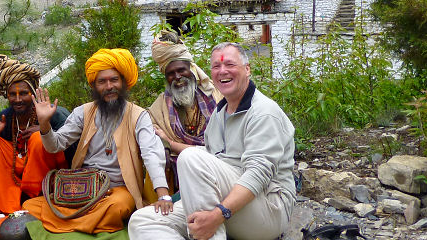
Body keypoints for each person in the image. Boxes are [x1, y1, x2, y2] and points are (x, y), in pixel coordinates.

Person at [128, 42, 296, 240]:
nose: (222, 71)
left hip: (267, 208)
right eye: (216, 66)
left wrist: (217, 216)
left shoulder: (264, 113)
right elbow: (209, 159)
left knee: (190, 158)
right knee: (142, 221)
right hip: (224, 202)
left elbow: (257, 176)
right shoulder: (219, 114)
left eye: (230, 65)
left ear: (247, 69)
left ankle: (210, 233)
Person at [22, 48, 170, 234]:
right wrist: (44, 124)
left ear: (124, 83)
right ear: (94, 86)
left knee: (120, 206)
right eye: (102, 81)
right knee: (30, 205)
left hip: (117, 190)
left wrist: (163, 195)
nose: (109, 86)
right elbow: (55, 146)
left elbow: (151, 154)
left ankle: (66, 224)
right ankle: (84, 224)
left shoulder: (138, 116)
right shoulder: (83, 112)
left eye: (114, 80)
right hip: (82, 189)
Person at [0, 54, 72, 216]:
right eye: (12, 94)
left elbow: (74, 148)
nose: (18, 99)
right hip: (15, 178)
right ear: (6, 95)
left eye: (23, 93)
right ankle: (5, 209)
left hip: (51, 180)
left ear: (33, 94)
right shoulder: (4, 118)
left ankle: (37, 197)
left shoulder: (56, 114)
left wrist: (45, 130)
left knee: (38, 139)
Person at [142, 30, 222, 203]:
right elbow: (153, 147)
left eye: (181, 70)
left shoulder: (216, 97)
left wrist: (172, 144)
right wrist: (166, 146)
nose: (177, 77)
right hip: (175, 174)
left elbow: (221, 147)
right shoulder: (158, 109)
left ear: (191, 70)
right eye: (171, 73)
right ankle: (162, 204)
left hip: (214, 167)